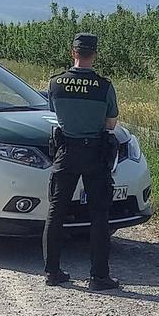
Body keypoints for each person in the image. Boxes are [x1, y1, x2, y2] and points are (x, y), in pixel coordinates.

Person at [43, 33, 120, 291]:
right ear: (94, 54)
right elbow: (111, 123)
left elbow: (55, 113)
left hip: (65, 151)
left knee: (56, 211)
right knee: (99, 214)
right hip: (95, 153)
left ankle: (52, 272)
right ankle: (99, 277)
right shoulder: (104, 86)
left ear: (72, 52)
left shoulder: (55, 83)